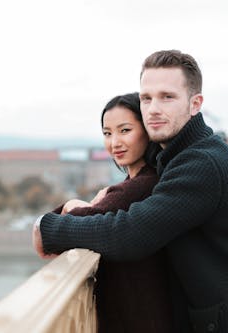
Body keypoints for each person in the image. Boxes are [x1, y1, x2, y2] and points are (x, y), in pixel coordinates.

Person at [33, 50, 228, 332]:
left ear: (195, 104)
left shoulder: (202, 164)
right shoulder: (181, 157)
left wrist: (49, 228)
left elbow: (130, 232)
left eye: (167, 97)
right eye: (146, 98)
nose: (153, 109)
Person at [51, 92, 171, 332]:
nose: (114, 142)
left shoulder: (143, 185)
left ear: (147, 130)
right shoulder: (135, 182)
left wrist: (69, 207)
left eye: (125, 130)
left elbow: (62, 228)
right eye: (107, 133)